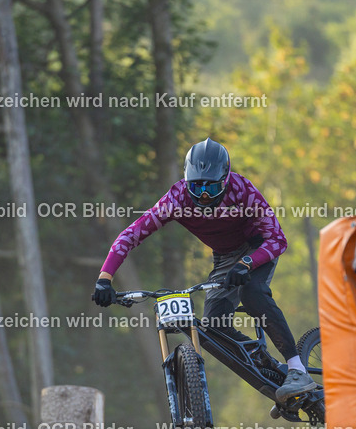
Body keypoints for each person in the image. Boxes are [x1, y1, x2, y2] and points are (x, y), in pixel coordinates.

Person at [91, 137, 316, 402]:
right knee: (212, 327)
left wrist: (247, 263)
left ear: (226, 179)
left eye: (212, 186)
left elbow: (278, 240)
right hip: (225, 257)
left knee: (252, 293)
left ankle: (297, 369)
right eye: (197, 186)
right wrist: (104, 278)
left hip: (256, 249)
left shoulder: (243, 191)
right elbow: (132, 234)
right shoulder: (177, 198)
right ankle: (270, 368)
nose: (205, 195)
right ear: (187, 181)